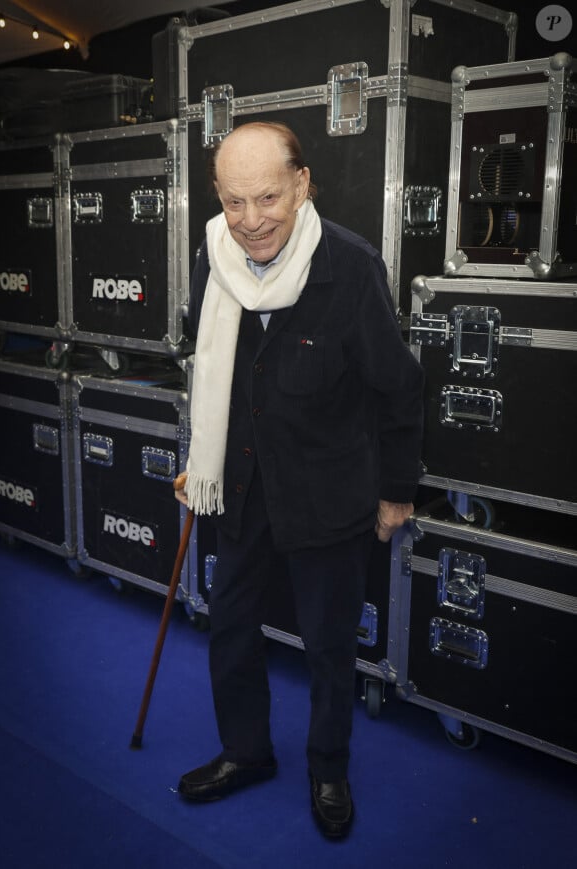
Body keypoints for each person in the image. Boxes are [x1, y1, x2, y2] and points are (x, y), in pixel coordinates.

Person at [174, 121, 423, 840]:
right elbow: (209, 366)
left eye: (267, 198)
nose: (250, 221)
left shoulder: (349, 267)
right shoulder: (212, 255)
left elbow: (398, 389)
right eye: (234, 202)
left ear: (303, 184)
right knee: (229, 627)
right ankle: (246, 752)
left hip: (328, 491)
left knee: (328, 644)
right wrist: (202, 456)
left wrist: (397, 490)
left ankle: (327, 766)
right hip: (241, 487)